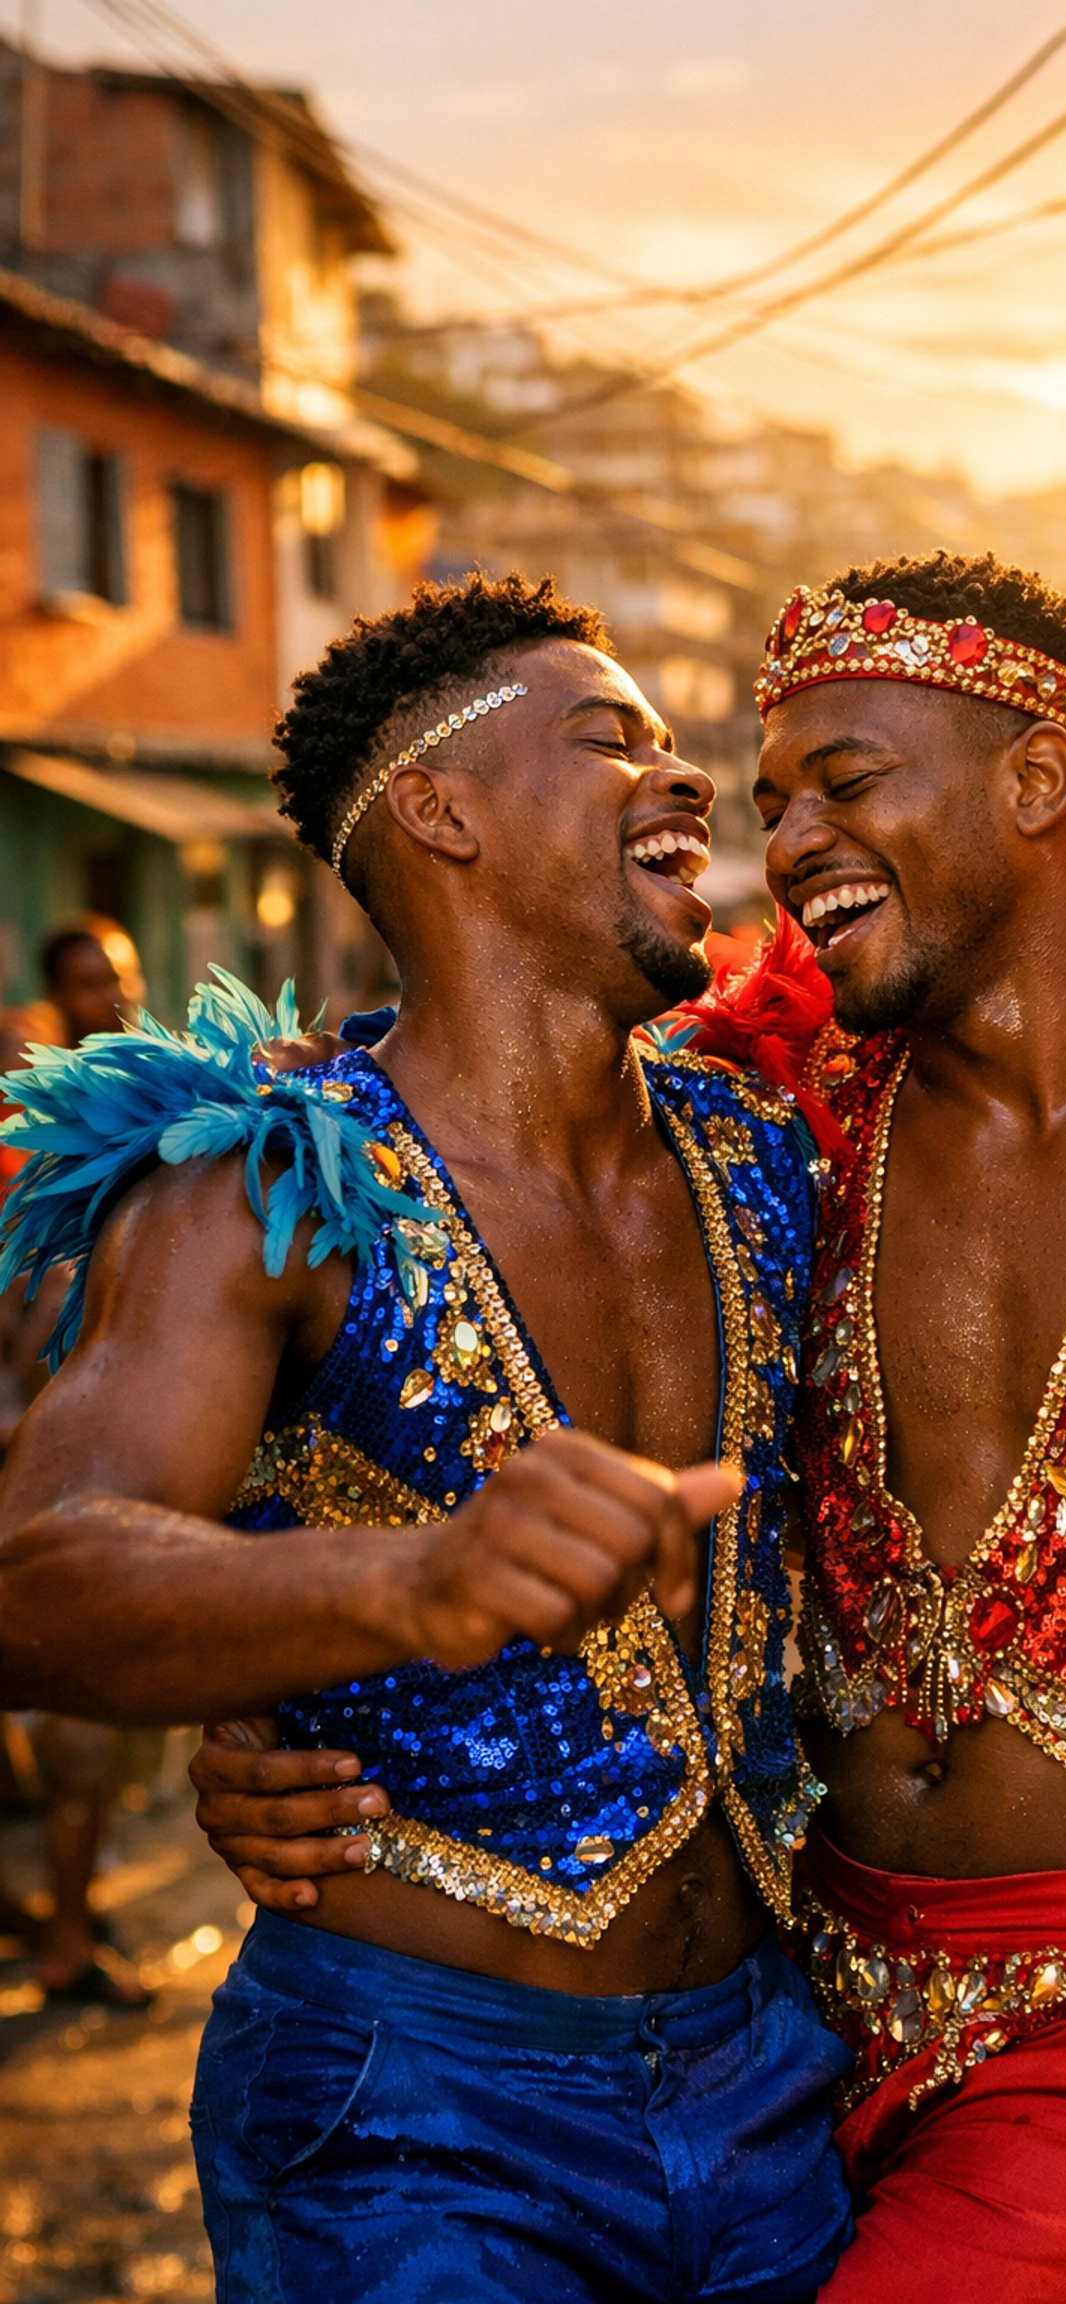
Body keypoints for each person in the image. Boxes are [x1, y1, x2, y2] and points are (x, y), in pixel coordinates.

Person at [183, 555, 1066, 2304]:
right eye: (768, 795)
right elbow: (159, 1494)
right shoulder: (752, 1131)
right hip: (777, 2036)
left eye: (837, 785)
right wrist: (290, 1649)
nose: (769, 835)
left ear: (1036, 777)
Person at [0, 573, 850, 2302]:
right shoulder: (265, 1184)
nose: (686, 781)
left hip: (781, 2079)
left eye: (680, 749)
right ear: (441, 809)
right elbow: (42, 1569)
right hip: (413, 2114)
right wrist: (412, 1581)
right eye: (614, 738)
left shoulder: (771, 1150)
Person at [0, 920, 151, 2006]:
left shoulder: (164, 1105)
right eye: (89, 981)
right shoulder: (37, 1126)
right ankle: (61, 1942)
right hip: (47, 1446)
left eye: (123, 975)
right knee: (76, 1716)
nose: (112, 994)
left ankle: (63, 1917)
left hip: (112, 1440)